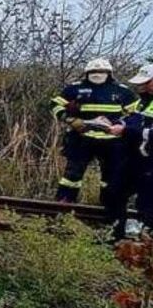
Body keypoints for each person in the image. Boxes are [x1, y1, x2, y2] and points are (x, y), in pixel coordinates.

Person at [50, 58, 140, 239]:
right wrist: (70, 119)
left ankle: (107, 213)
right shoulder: (74, 88)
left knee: (110, 179)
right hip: (82, 139)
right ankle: (63, 208)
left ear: (110, 74)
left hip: (111, 142)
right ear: (86, 73)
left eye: (102, 73)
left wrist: (122, 126)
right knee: (72, 176)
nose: (97, 76)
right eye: (93, 73)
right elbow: (54, 104)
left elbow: (135, 114)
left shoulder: (122, 91)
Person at [122, 64, 153, 236]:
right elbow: (129, 118)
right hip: (141, 159)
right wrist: (119, 124)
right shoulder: (141, 102)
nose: (140, 86)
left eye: (145, 83)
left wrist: (127, 131)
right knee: (141, 198)